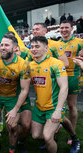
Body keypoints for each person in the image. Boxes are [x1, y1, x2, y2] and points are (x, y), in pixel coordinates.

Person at [0, 35, 31, 153]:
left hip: (13, 98)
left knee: (13, 127)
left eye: (6, 45)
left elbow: (25, 90)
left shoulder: (23, 65)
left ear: (15, 48)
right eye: (1, 45)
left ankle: (11, 149)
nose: (2, 48)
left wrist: (15, 109)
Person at [29, 36, 68, 153]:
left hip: (53, 107)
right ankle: (52, 136)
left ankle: (51, 135)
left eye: (37, 46)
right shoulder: (30, 66)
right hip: (38, 107)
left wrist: (57, 110)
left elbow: (64, 87)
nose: (33, 49)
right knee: (35, 136)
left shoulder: (56, 63)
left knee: (46, 137)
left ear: (46, 48)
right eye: (32, 47)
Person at [5, 32, 32, 153]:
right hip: (10, 96)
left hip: (23, 96)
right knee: (11, 125)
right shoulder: (3, 57)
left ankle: (20, 141)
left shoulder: (25, 54)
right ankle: (12, 140)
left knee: (26, 125)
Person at [59, 20, 83, 148]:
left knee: (72, 105)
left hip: (73, 77)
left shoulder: (79, 42)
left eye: (66, 27)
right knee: (58, 104)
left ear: (72, 28)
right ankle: (57, 126)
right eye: (62, 28)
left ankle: (71, 133)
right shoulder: (57, 43)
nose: (64, 30)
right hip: (59, 77)